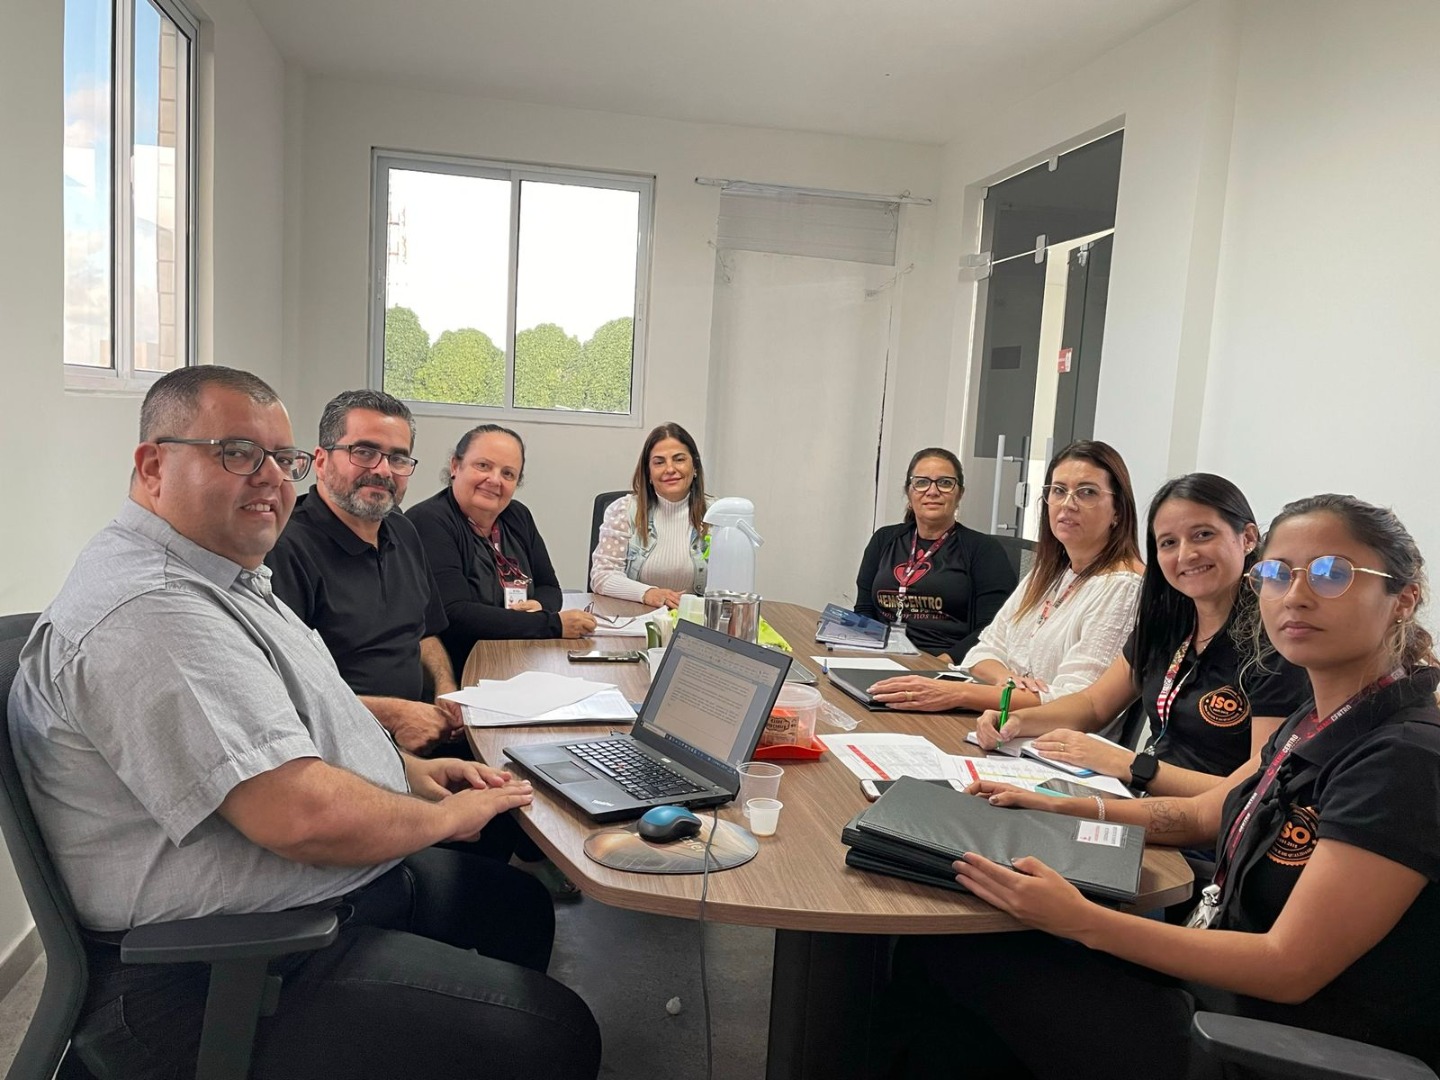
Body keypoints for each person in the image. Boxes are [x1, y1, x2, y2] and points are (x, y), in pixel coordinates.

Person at [7, 367, 601, 1080]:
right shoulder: (153, 610)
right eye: (236, 453)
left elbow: (305, 712)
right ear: (154, 465)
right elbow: (300, 817)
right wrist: (445, 817)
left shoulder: (226, 573)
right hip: (215, 968)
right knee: (555, 1033)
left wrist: (410, 771)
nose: (270, 478)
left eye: (280, 459)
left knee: (517, 907)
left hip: (311, 891)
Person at [891, 494, 1440, 1078]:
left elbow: (1288, 967)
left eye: (1332, 573)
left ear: (1404, 598)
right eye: (1279, 574)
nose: (1296, 595)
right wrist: (1059, 806)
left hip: (1267, 1044)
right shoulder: (1318, 719)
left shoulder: (1402, 758)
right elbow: (1206, 816)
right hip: (1219, 982)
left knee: (956, 953)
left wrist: (1081, 919)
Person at [970, 474, 1310, 796]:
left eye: (1203, 535)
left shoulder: (1275, 645)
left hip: (1206, 827)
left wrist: (1133, 766)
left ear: (1248, 538)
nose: (1186, 554)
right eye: (1168, 543)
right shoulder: (1168, 624)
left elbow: (1254, 789)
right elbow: (1093, 705)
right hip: (1140, 799)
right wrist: (1017, 721)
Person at [871, 440, 1143, 716]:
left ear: (1118, 511)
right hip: (1000, 719)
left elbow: (1075, 701)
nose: (1068, 504)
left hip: (1047, 735)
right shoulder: (1049, 575)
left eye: (1087, 492)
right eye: (1059, 490)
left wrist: (958, 693)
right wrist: (1008, 681)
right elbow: (981, 651)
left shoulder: (1123, 587)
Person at [266, 389, 462, 754]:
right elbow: (282, 693)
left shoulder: (403, 530)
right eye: (364, 452)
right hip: (342, 752)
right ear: (321, 461)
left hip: (424, 732)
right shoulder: (285, 549)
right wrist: (395, 716)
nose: (383, 470)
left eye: (398, 458)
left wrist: (446, 687)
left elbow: (425, 632)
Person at [409, 424, 596, 676]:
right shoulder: (429, 521)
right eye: (483, 466)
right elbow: (455, 614)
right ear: (455, 466)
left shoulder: (518, 516)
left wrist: (538, 605)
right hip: (460, 668)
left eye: (508, 473)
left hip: (517, 655)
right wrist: (551, 624)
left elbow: (549, 587)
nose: (494, 480)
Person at [853, 448, 1016, 661]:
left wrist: (941, 663)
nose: (932, 491)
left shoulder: (984, 550)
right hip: (882, 658)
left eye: (945, 483)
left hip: (946, 664)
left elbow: (992, 629)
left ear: (960, 494)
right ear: (909, 492)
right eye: (922, 482)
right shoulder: (884, 539)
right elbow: (864, 609)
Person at [590, 422, 711, 609]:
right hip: (634, 618)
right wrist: (648, 593)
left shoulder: (718, 515)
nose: (670, 469)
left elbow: (731, 584)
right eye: (659, 462)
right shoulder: (623, 511)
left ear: (694, 466)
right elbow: (602, 576)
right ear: (648, 472)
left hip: (695, 621)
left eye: (679, 459)